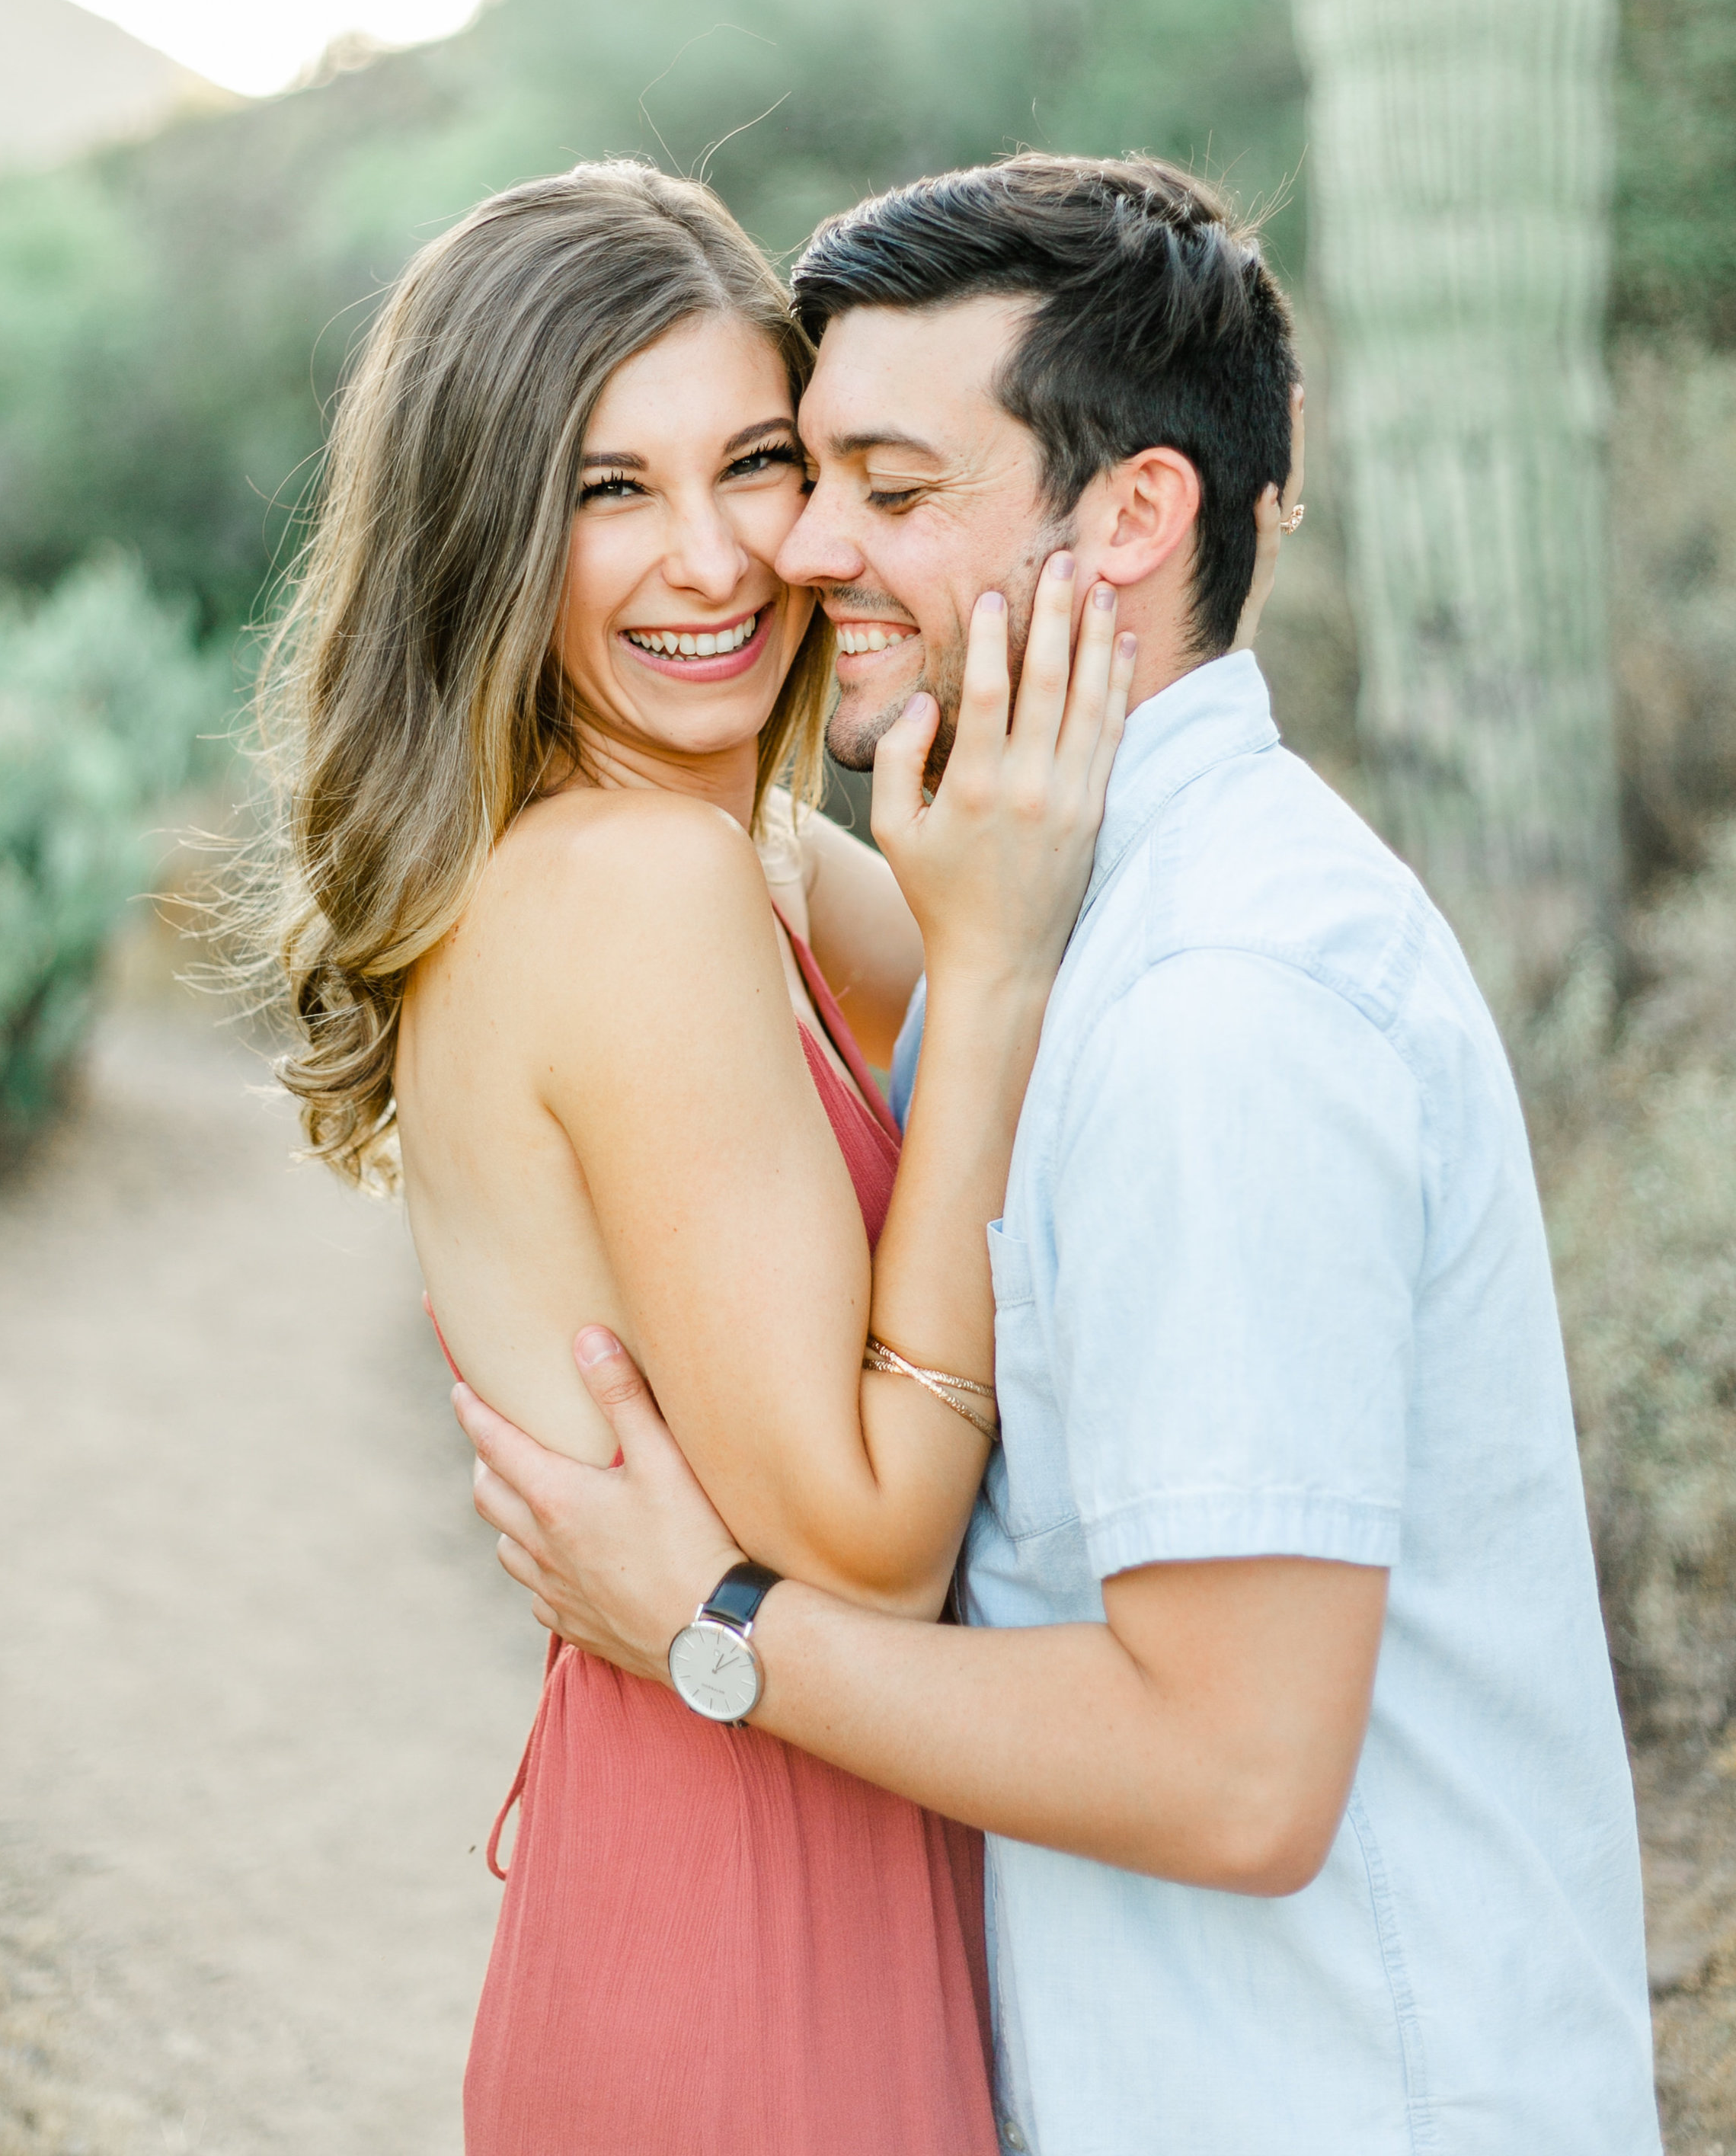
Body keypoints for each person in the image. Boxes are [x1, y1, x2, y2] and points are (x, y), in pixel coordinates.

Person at [458, 154, 1661, 2156]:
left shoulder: (1222, 1004)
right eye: (808, 469)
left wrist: (719, 1624)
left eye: (893, 491)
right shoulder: (1030, 898)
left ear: (1131, 514)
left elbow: (1237, 1778)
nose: (799, 549)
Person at [238, 157, 1158, 2156]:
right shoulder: (637, 886)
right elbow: (860, 1546)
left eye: (757, 462)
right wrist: (988, 982)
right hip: (751, 1953)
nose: (718, 561)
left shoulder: (736, 855)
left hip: (741, 1871)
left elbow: (1111, 1072)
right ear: (490, 535)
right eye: (608, 490)